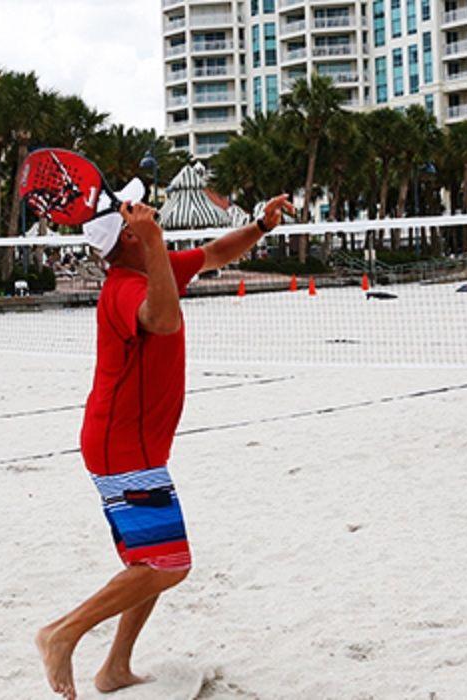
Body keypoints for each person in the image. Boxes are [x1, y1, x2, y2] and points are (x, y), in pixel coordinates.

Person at [36, 179, 294, 700]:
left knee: (149, 563)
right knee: (168, 564)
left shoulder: (150, 266)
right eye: (136, 213)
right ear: (128, 235)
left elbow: (218, 252)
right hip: (120, 447)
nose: (147, 212)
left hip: (136, 445)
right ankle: (61, 633)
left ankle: (114, 668)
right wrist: (153, 240)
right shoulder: (124, 288)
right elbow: (165, 318)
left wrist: (262, 225)